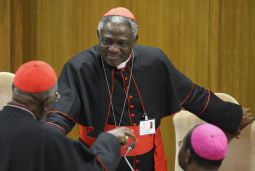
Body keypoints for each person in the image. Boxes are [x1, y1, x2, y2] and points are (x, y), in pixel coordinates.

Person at [47, 7, 254, 171]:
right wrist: (43, 139)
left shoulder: (154, 61)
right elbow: (62, 113)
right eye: (107, 41)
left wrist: (232, 116)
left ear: (134, 41)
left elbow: (191, 94)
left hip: (147, 161)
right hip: (99, 158)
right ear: (98, 34)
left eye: (122, 43)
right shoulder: (79, 67)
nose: (113, 49)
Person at [0, 60, 136, 171]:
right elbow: (91, 168)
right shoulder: (46, 138)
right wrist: (109, 140)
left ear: (13, 90)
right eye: (55, 98)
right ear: (48, 103)